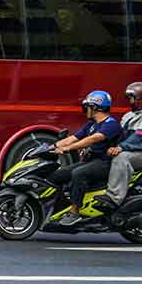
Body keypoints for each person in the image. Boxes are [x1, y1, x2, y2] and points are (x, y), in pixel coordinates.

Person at [51, 90, 121, 225]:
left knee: (78, 173)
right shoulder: (91, 124)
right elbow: (74, 137)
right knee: (59, 174)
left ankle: (75, 212)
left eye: (87, 107)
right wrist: (51, 146)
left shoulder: (111, 124)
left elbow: (92, 139)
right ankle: (58, 206)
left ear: (96, 107)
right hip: (91, 161)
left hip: (105, 163)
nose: (85, 110)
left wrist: (67, 148)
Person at [102, 81, 142, 211]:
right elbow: (118, 135)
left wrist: (120, 147)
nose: (130, 101)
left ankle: (114, 198)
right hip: (134, 150)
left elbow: (139, 137)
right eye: (129, 98)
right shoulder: (129, 115)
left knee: (122, 157)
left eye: (133, 98)